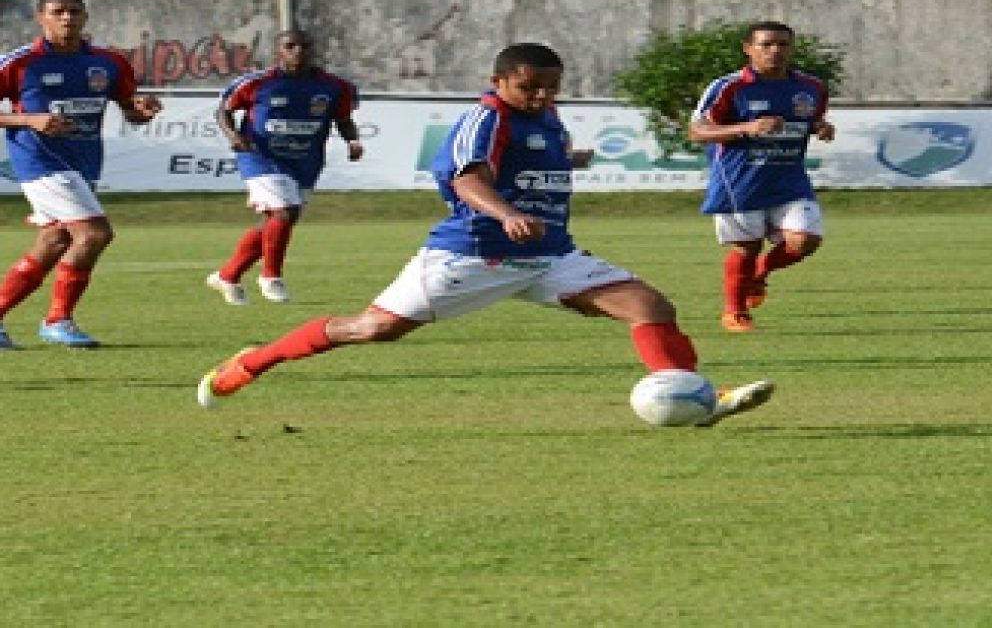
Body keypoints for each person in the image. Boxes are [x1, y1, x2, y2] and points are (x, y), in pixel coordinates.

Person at [197, 42, 773, 427]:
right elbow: (467, 178)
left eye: (551, 86)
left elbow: (526, 163)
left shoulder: (541, 118)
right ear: (499, 81)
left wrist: (566, 158)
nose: (543, 96)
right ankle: (253, 362)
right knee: (373, 328)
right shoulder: (486, 117)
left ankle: (697, 396)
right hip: (475, 254)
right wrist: (503, 214)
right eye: (530, 88)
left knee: (649, 305)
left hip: (548, 255)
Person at [0, 0, 162, 349]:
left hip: (83, 163)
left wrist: (142, 109)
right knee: (94, 234)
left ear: (85, 17)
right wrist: (29, 119)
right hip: (40, 162)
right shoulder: (20, 63)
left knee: (55, 241)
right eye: (58, 12)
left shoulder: (109, 63)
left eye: (74, 12)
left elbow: (129, 109)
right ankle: (58, 320)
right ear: (40, 18)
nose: (67, 18)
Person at [689, 21, 835, 333]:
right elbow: (697, 131)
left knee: (805, 241)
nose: (775, 51)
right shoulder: (730, 87)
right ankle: (735, 312)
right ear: (748, 48)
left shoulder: (811, 88)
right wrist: (746, 128)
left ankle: (760, 273)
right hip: (740, 181)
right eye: (766, 44)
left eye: (783, 45)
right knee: (747, 246)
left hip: (789, 179)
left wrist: (820, 127)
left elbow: (809, 119)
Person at [205, 29, 363, 305]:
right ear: (279, 51)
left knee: (277, 220)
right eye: (290, 46)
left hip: (305, 160)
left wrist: (353, 141)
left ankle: (228, 275)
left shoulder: (335, 87)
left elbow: (343, 118)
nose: (298, 51)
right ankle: (271, 277)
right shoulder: (257, 83)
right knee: (284, 211)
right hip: (260, 156)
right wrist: (234, 136)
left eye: (304, 46)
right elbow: (223, 110)